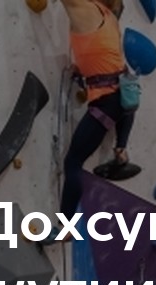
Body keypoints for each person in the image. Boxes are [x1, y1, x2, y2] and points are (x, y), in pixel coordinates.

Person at [57, 0, 138, 226]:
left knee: (73, 162)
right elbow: (103, 58)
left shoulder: (87, 10)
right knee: (122, 105)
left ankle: (65, 226)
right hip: (123, 96)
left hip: (107, 102)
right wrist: (82, 72)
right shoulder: (110, 18)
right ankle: (121, 150)